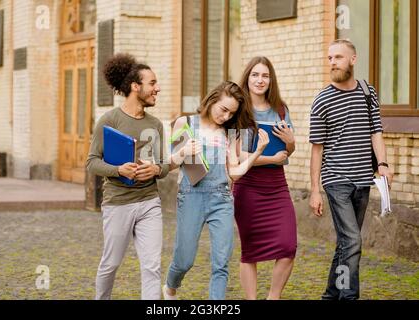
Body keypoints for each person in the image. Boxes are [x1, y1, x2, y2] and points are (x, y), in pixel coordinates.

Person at [162, 81, 269, 300]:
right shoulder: (185, 123)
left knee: (221, 262)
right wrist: (183, 151)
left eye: (231, 113)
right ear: (211, 101)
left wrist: (258, 152)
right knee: (185, 260)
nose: (227, 116)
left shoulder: (229, 133)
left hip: (221, 199)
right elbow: (170, 165)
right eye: (223, 109)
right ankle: (170, 286)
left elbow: (234, 173)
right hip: (191, 196)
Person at [309, 39, 393, 300]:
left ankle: (330, 295)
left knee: (347, 244)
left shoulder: (368, 92)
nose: (332, 62)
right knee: (353, 242)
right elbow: (316, 149)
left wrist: (383, 164)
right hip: (336, 181)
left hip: (363, 181)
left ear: (353, 59)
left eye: (338, 57)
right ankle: (348, 296)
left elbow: (375, 132)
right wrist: (315, 190)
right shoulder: (322, 100)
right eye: (330, 58)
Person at [86, 53, 170, 300]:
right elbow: (92, 162)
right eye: (152, 83)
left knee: (152, 266)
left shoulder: (155, 124)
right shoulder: (110, 120)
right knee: (111, 263)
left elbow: (163, 164)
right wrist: (118, 170)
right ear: (136, 86)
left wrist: (156, 170)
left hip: (149, 202)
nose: (158, 88)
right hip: (118, 203)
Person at [232, 56, 297, 300]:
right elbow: (236, 157)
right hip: (247, 187)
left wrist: (291, 143)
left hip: (277, 187)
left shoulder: (280, 109)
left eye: (265, 76)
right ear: (247, 78)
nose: (260, 80)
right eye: (255, 75)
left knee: (288, 246)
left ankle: (273, 297)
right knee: (250, 252)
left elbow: (287, 151)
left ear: (271, 80)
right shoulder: (237, 109)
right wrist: (270, 158)